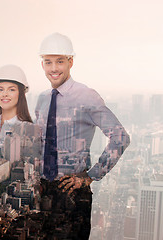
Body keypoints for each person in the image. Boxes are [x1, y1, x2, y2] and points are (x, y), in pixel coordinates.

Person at [35, 33, 131, 239]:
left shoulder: (87, 96)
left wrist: (91, 176)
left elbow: (120, 137)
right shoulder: (42, 99)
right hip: (41, 194)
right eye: (48, 62)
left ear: (70, 62)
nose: (53, 68)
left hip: (72, 196)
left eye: (59, 61)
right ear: (42, 64)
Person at [0, 65, 42, 238]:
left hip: (21, 219)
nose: (5, 94)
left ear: (20, 94)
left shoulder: (32, 130)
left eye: (11, 89)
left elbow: (36, 177)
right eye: (1, 89)